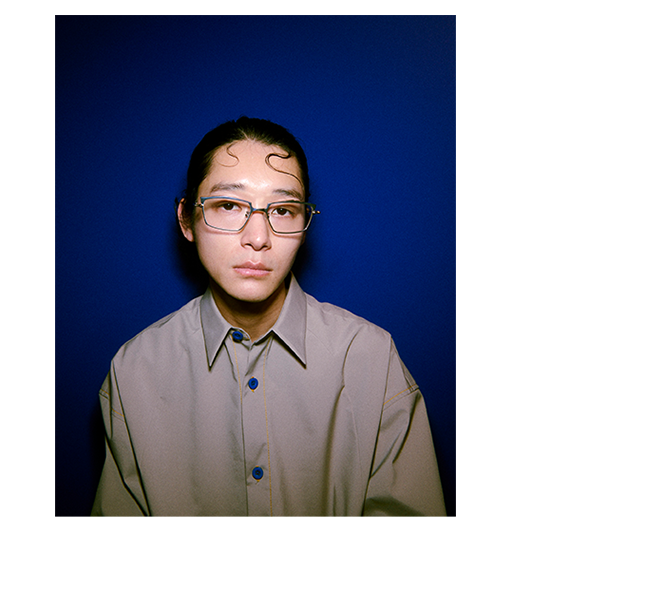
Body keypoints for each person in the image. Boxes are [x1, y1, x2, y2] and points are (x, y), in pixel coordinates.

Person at [91, 117, 446, 516]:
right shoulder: (135, 369)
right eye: (228, 205)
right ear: (186, 219)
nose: (258, 238)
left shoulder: (371, 358)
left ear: (304, 225)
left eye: (282, 210)